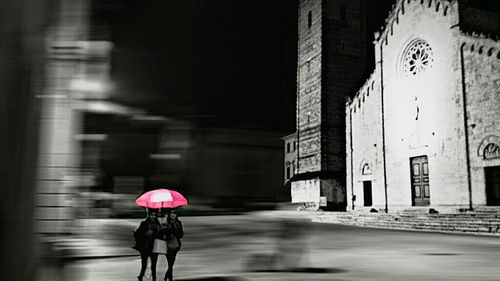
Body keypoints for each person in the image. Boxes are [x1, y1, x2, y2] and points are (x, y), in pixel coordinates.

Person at [134, 208, 162, 281]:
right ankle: (141, 276)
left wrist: (161, 232)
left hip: (155, 247)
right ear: (149, 215)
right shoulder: (144, 223)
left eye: (154, 215)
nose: (153, 217)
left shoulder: (158, 225)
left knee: (154, 265)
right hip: (145, 247)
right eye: (151, 215)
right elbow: (137, 234)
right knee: (144, 264)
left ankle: (154, 278)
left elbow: (161, 236)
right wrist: (145, 233)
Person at [159, 209, 184, 281]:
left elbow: (181, 234)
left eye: (175, 213)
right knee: (170, 262)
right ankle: (169, 276)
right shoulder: (166, 223)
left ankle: (168, 276)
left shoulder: (178, 223)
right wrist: (165, 229)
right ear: (169, 215)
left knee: (171, 262)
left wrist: (175, 231)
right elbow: (161, 234)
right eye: (172, 213)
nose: (173, 215)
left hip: (176, 245)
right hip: (167, 245)